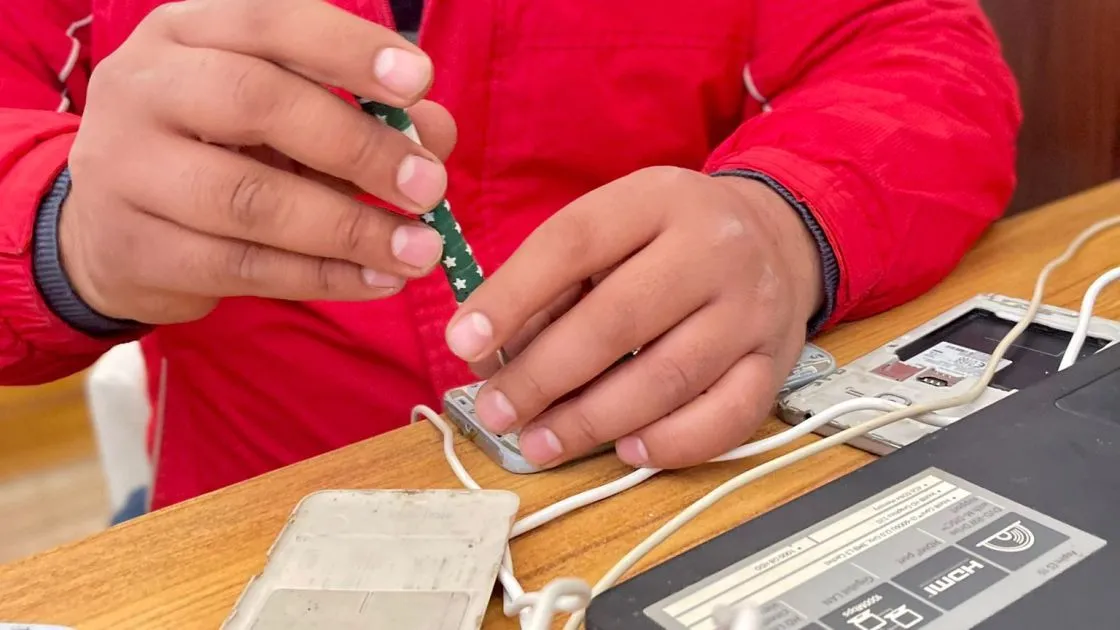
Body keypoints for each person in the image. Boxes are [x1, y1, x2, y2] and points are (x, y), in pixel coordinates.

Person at [0, 0, 1020, 514]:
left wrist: (787, 222)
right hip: (257, 522)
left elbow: (914, 47)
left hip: (677, 489)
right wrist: (64, 240)